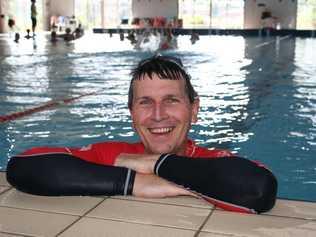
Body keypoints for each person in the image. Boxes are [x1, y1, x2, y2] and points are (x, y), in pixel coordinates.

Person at [6, 55, 277, 214]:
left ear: (193, 110)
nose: (158, 115)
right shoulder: (113, 154)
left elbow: (258, 190)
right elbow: (23, 168)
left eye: (171, 100)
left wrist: (154, 164)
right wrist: (133, 182)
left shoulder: (214, 161)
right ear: (131, 112)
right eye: (145, 102)